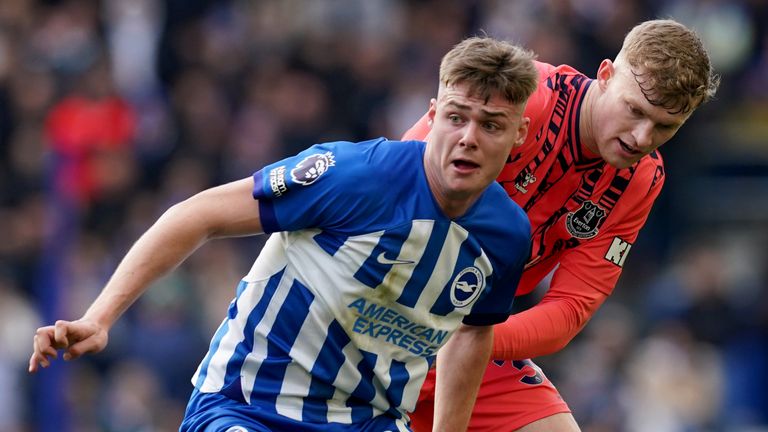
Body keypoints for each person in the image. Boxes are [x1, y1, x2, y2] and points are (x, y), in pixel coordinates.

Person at [29, 37, 539, 432]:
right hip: (249, 407)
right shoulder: (354, 175)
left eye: (491, 125)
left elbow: (473, 332)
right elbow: (196, 215)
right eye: (455, 117)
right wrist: (99, 317)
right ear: (432, 114)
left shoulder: (505, 237)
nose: (468, 138)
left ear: (519, 133)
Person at [402, 19, 720, 431]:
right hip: (382, 312)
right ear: (605, 75)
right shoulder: (522, 94)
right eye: (635, 111)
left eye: (665, 127)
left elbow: (569, 309)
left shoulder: (641, 180)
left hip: (470, 335)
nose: (643, 137)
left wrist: (475, 341)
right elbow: (399, 184)